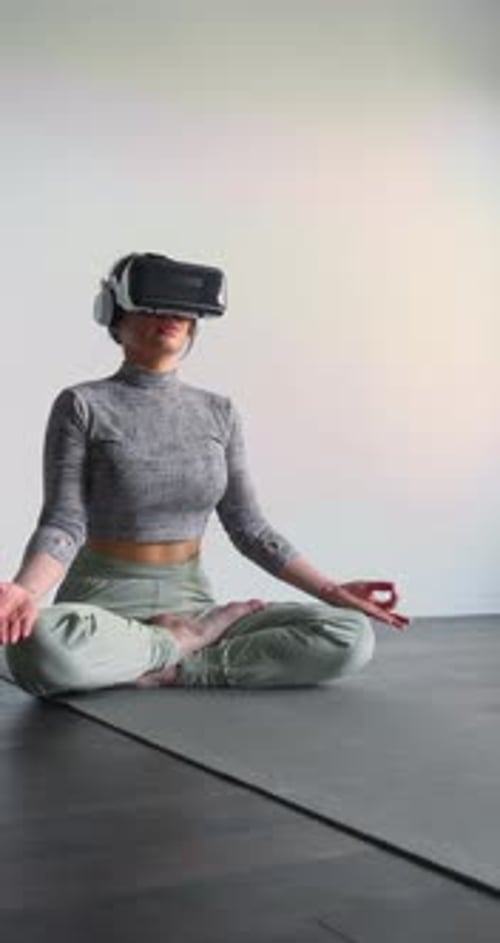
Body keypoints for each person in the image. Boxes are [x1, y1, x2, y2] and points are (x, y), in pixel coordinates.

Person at [0, 252, 410, 697]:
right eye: (153, 304)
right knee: (37, 647)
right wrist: (25, 590)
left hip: (192, 601)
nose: (171, 317)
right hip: (105, 603)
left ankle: (180, 664)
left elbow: (250, 528)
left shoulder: (219, 413)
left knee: (349, 637)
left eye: (182, 308)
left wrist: (332, 590)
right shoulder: (82, 404)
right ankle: (177, 643)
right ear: (114, 314)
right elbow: (64, 522)